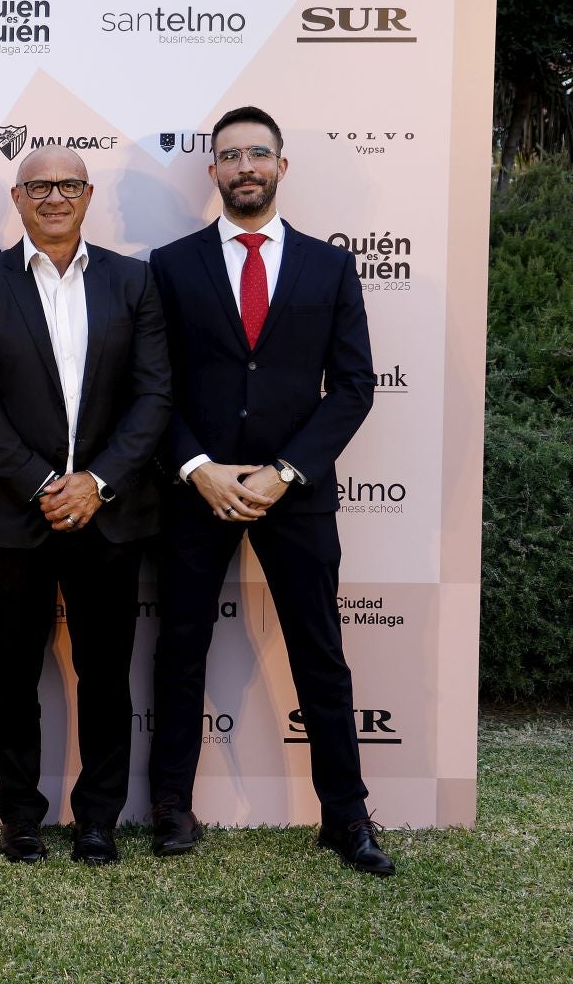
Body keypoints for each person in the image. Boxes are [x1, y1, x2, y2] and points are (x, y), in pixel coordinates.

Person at [148, 104, 393, 875]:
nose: (245, 166)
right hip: (198, 492)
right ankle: (170, 807)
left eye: (258, 153)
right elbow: (153, 385)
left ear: (281, 166)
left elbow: (353, 386)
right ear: (212, 170)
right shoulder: (169, 266)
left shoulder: (330, 266)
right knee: (179, 649)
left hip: (297, 493)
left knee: (321, 654)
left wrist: (285, 471)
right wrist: (198, 466)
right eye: (230, 155)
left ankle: (346, 816)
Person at [0, 148, 171, 867]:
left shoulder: (133, 280)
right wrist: (43, 483)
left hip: (110, 512)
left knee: (106, 674)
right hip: (16, 514)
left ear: (88, 194)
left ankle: (98, 819)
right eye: (38, 185)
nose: (53, 197)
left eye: (68, 185)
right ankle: (21, 817)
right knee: (12, 675)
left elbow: (154, 394)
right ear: (17, 197)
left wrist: (97, 482)